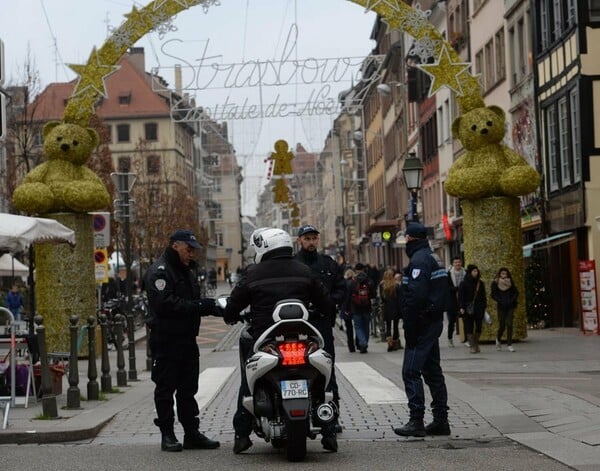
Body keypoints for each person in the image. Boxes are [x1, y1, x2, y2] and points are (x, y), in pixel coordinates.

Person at [223, 227, 337, 454]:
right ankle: (330, 432)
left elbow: (233, 307)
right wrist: (324, 314)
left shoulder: (252, 274)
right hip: (303, 337)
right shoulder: (304, 271)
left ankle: (242, 434)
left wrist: (231, 315)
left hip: (265, 339)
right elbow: (327, 305)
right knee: (325, 374)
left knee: (248, 378)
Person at [145, 229, 223, 452]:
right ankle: (167, 434)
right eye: (188, 249)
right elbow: (165, 304)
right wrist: (200, 306)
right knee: (166, 388)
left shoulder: (186, 271)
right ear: (175, 246)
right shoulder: (160, 272)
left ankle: (191, 433)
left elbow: (192, 302)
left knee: (188, 389)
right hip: (166, 339)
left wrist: (217, 309)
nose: (191, 254)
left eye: (193, 250)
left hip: (187, 339)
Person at [394, 222, 451, 437]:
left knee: (410, 370)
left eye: (406, 238)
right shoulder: (433, 257)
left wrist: (411, 324)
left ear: (410, 239)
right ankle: (441, 420)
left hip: (421, 323)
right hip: (433, 321)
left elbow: (416, 296)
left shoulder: (418, 260)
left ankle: (416, 420)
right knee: (433, 371)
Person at [295, 224, 346, 432]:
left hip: (323, 325)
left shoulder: (328, 264)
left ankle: (331, 417)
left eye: (314, 238)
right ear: (299, 241)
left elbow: (341, 289)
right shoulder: (293, 264)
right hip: (300, 325)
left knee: (326, 371)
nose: (311, 242)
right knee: (299, 370)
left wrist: (328, 303)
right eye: (307, 239)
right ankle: (299, 415)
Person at [344, 263, 375, 354]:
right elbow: (373, 294)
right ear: (364, 269)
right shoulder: (369, 281)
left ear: (356, 270)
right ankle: (364, 342)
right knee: (366, 326)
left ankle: (362, 342)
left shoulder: (352, 282)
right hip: (367, 307)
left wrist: (346, 308)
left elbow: (348, 296)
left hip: (355, 307)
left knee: (358, 327)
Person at [458, 264, 487, 354]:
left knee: (478, 327)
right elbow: (460, 297)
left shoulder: (480, 283)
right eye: (474, 271)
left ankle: (476, 343)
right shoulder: (463, 283)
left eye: (476, 271)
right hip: (467, 308)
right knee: (469, 327)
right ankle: (472, 346)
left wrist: (484, 306)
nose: (476, 273)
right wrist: (461, 307)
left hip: (479, 308)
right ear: (470, 272)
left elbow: (483, 296)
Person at [491, 267, 519, 352]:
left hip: (510, 306)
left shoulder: (510, 282)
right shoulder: (495, 283)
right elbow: (493, 295)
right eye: (502, 273)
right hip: (501, 306)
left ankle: (509, 344)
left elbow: (516, 292)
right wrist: (500, 300)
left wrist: (512, 299)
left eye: (505, 274)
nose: (504, 275)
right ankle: (498, 339)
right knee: (502, 325)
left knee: (509, 324)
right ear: (499, 274)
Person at [379, 269, 403, 352]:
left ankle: (389, 342)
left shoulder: (382, 285)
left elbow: (382, 298)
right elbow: (400, 298)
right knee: (395, 326)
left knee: (388, 326)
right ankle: (395, 342)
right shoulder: (396, 285)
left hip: (386, 308)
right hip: (395, 307)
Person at [447, 256, 466, 347]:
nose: (457, 264)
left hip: (463, 299)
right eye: (455, 262)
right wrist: (457, 288)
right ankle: (450, 338)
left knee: (465, 319)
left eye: (459, 262)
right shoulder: (449, 274)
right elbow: (447, 288)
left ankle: (466, 338)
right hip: (452, 300)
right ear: (453, 264)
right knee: (452, 321)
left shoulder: (465, 273)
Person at [341, 268, 357, 352]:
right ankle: (358, 342)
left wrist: (345, 308)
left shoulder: (345, 283)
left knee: (349, 328)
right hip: (356, 307)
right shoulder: (355, 282)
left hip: (347, 307)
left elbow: (344, 297)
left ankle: (351, 346)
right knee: (357, 326)